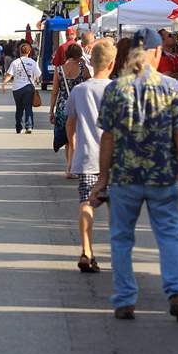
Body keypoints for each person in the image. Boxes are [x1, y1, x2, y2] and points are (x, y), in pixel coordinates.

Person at [90, 27, 178, 322]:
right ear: (155, 52)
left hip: (125, 177)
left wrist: (102, 178)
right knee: (170, 235)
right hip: (162, 177)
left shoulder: (116, 89)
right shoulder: (170, 88)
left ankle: (125, 299)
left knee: (121, 238)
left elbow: (108, 138)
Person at [65, 40, 116, 273]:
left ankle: (86, 250)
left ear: (91, 62)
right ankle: (119, 253)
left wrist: (73, 143)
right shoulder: (118, 89)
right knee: (116, 208)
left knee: (86, 203)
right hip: (114, 159)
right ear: (112, 63)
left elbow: (70, 121)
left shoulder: (79, 90)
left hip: (87, 156)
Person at [50, 43, 89, 173]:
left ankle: (69, 165)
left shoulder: (59, 69)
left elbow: (55, 91)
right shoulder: (83, 68)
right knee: (76, 136)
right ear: (79, 55)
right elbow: (90, 84)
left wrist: (51, 110)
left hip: (63, 106)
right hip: (78, 105)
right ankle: (71, 167)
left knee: (67, 139)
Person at [4, 42, 41, 134]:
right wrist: (35, 80)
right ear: (29, 52)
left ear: (19, 51)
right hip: (28, 87)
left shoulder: (15, 62)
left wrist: (3, 84)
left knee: (19, 108)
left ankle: (18, 127)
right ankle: (28, 127)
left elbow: (9, 75)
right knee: (28, 107)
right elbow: (38, 75)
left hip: (17, 89)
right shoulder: (33, 62)